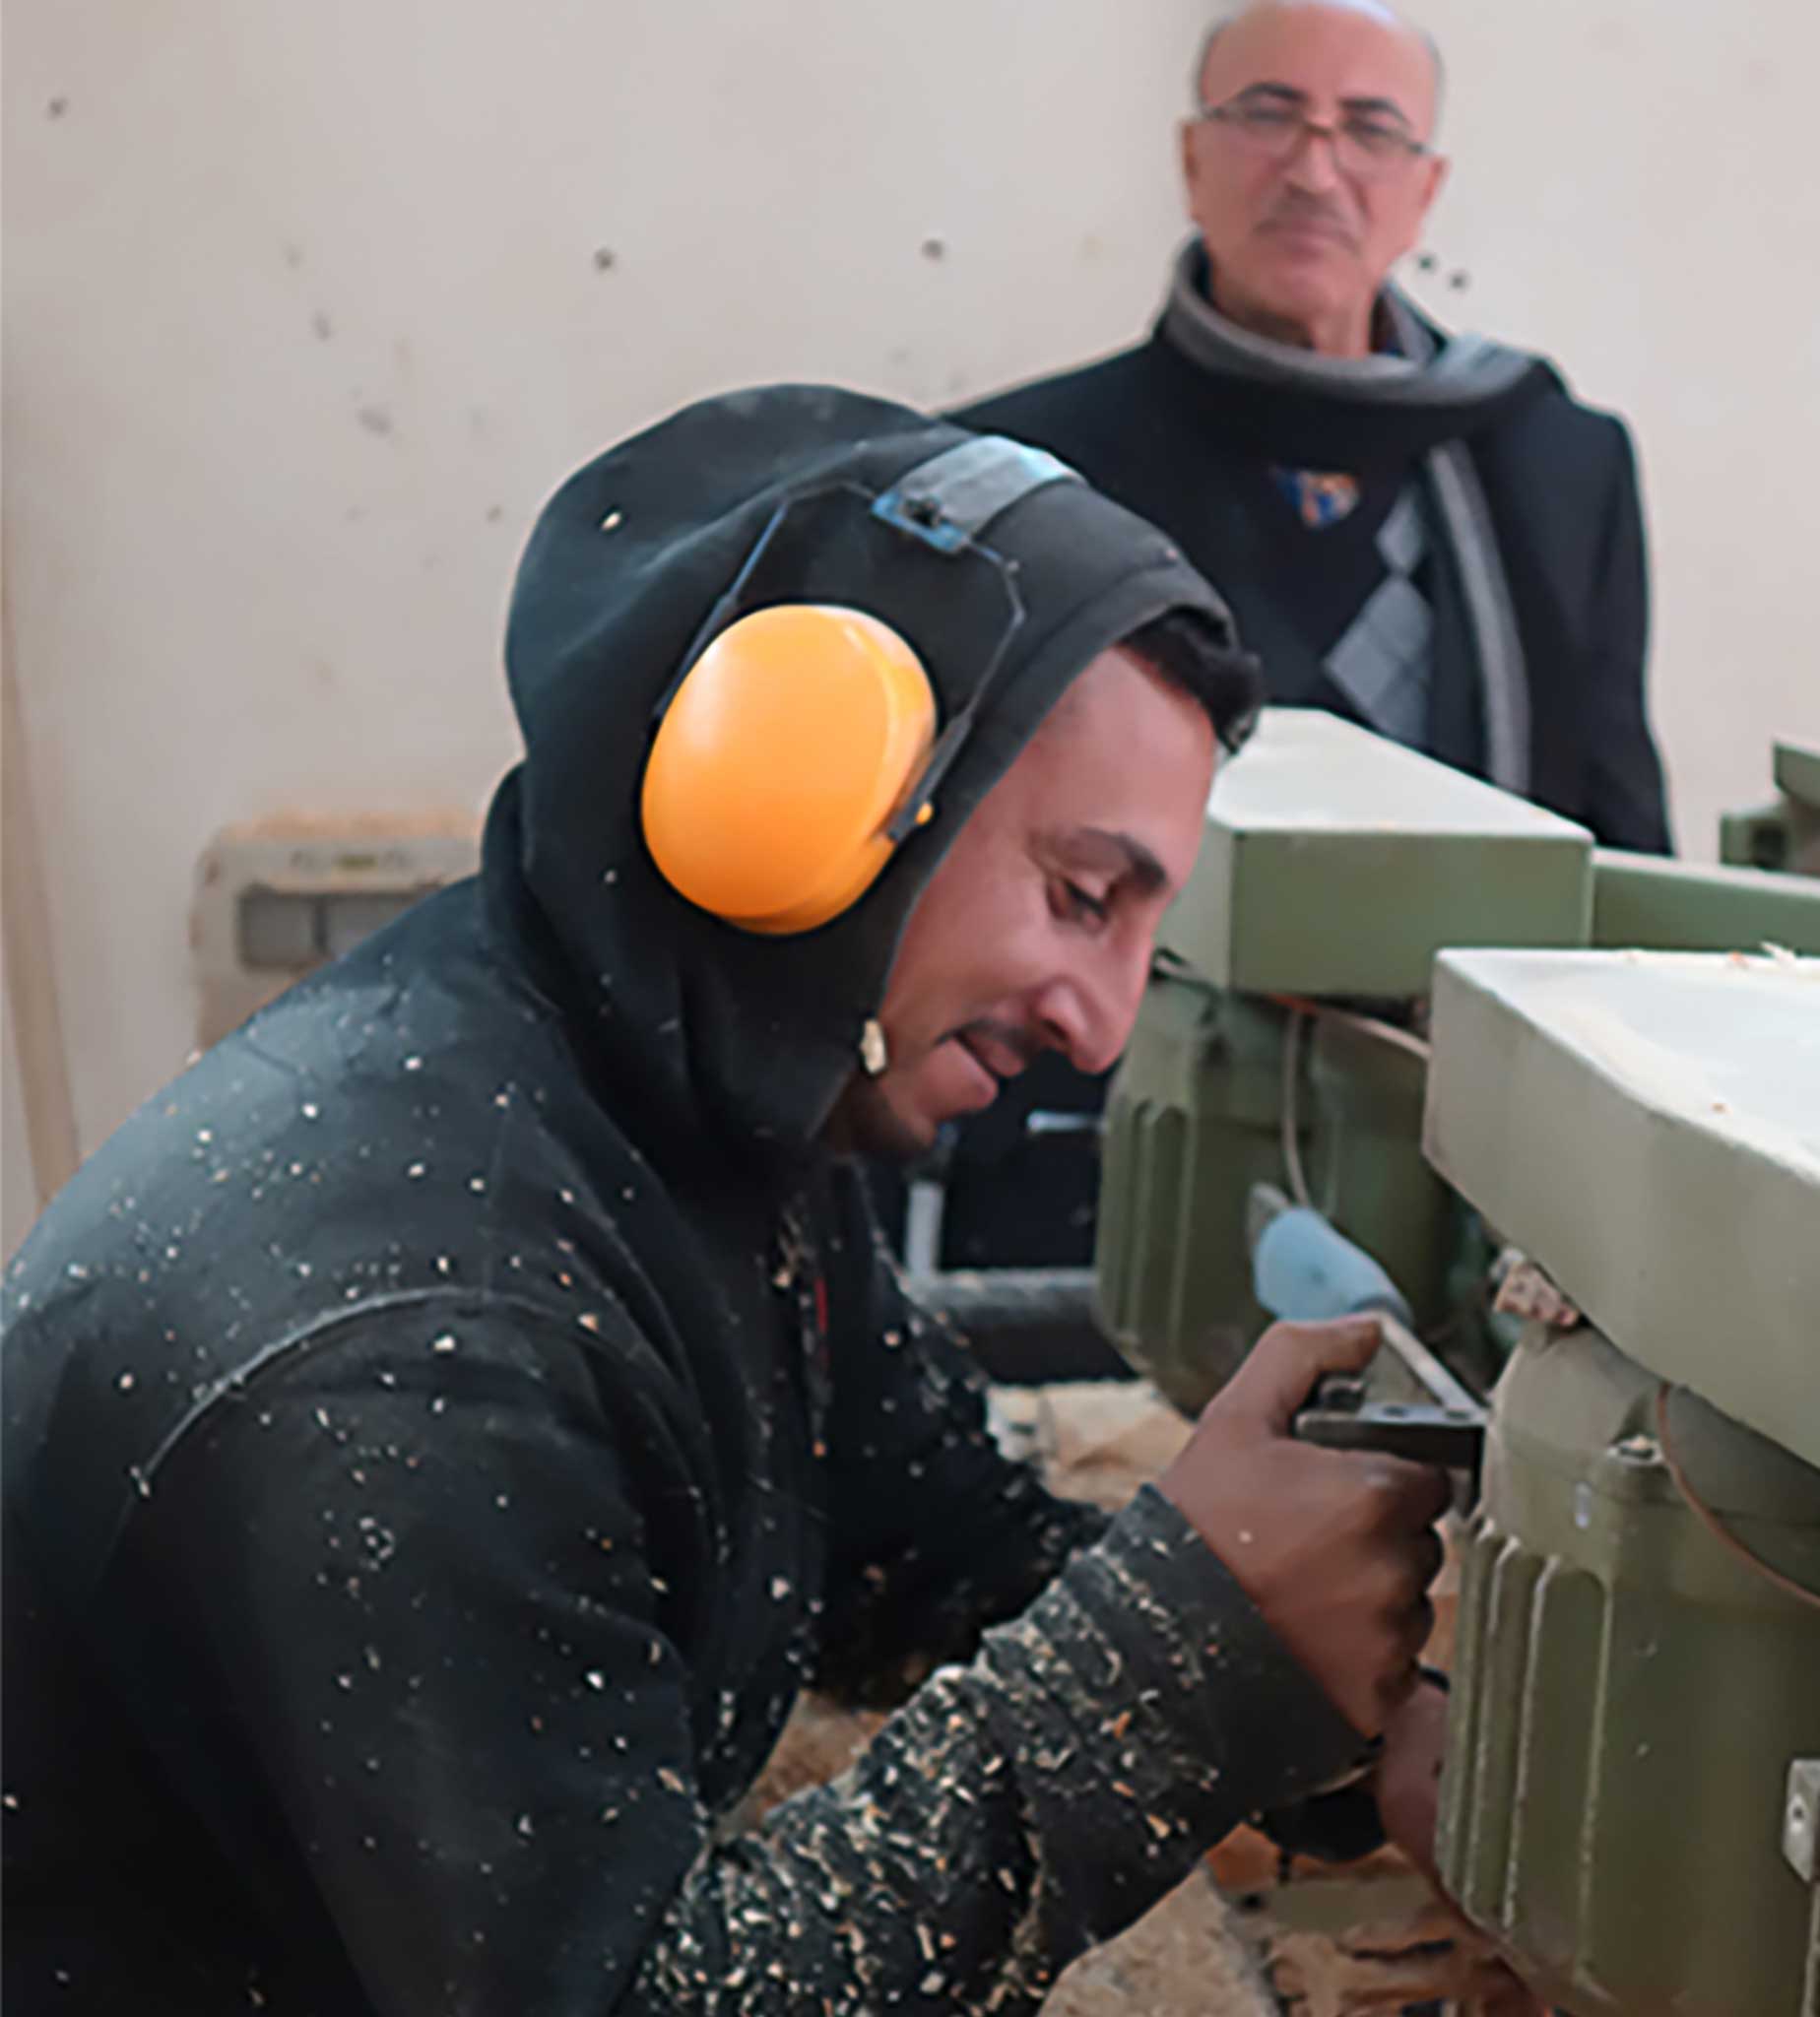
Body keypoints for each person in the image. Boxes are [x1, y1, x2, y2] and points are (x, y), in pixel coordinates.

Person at [2, 387, 1461, 2014]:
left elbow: (922, 1543)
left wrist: (1334, 1718)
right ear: (798, 797)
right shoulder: (417, 1348)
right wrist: (1188, 1671)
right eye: (1078, 896)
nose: (1100, 1024)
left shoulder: (713, 1102)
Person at [929, 0, 1672, 1274]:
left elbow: (1614, 833)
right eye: (1267, 114)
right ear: (1191, 158)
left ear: (1424, 190)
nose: (1316, 167)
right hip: (1105, 1141)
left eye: (1369, 130)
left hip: (1458, 1162)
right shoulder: (1024, 475)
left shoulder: (1556, 466)